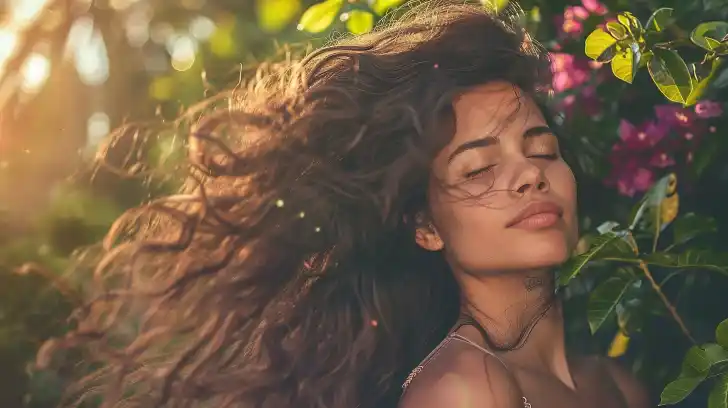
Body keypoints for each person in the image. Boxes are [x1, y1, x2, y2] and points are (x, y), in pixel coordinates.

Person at [39, 1, 651, 407]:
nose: (528, 177)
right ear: (425, 227)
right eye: (479, 167)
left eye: (542, 149)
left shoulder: (620, 384)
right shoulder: (467, 389)